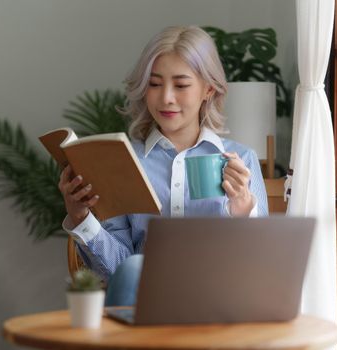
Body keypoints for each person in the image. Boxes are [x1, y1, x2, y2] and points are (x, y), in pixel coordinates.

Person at [59, 26, 269, 304]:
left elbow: (261, 268)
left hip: (217, 307)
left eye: (181, 85)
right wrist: (81, 218)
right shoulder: (123, 161)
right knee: (134, 267)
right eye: (155, 84)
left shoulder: (242, 160)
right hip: (142, 306)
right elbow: (117, 270)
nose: (166, 97)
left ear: (208, 89)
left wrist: (243, 212)